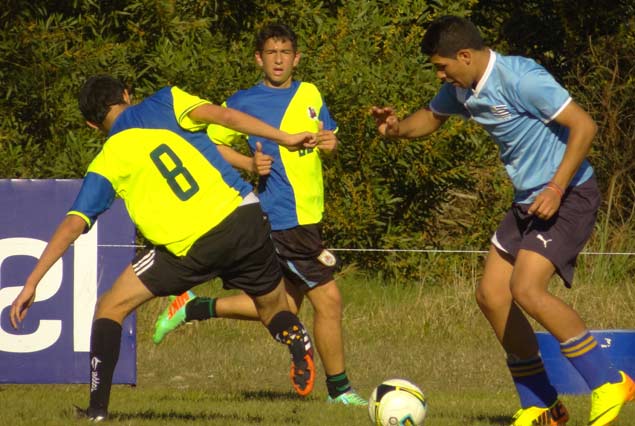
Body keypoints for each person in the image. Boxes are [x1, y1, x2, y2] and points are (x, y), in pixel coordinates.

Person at [370, 15, 634, 426]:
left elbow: (585, 125)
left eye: (441, 67)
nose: (439, 75)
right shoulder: (460, 88)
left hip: (569, 195)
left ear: (464, 56)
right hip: (528, 201)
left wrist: (556, 189)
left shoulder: (521, 77)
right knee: (492, 296)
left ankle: (610, 381)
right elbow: (431, 117)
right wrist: (396, 129)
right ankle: (544, 405)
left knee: (526, 289)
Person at [9, 74, 318, 422]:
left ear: (92, 124)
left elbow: (73, 224)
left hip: (191, 246)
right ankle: (293, 336)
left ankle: (97, 411)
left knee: (110, 307)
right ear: (127, 94)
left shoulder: (109, 159)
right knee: (272, 308)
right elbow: (226, 117)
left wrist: (32, 282)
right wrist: (285, 137)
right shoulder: (167, 100)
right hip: (245, 216)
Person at [152, 23, 366, 406]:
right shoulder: (242, 102)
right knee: (329, 300)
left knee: (284, 305)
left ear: (297, 58)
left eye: (286, 52)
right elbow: (211, 146)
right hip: (282, 216)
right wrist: (250, 163)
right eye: (271, 53)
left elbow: (327, 137)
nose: (279, 59)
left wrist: (332, 141)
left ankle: (194, 307)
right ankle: (340, 391)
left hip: (310, 213)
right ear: (259, 59)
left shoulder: (311, 93)